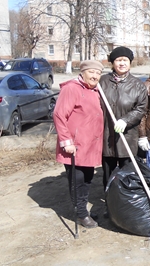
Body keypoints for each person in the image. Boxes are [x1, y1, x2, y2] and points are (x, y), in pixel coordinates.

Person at [53, 60, 104, 228]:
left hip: (90, 145)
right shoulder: (72, 89)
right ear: (82, 73)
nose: (95, 76)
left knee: (88, 178)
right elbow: (59, 115)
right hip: (74, 146)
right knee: (78, 180)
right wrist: (66, 142)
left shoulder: (96, 90)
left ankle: (83, 211)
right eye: (91, 72)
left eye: (98, 73)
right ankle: (81, 213)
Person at [99, 46, 147, 191]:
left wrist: (125, 120)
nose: (122, 63)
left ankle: (126, 207)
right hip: (107, 137)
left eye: (125, 60)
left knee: (128, 175)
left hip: (128, 138)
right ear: (113, 63)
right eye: (118, 60)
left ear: (130, 63)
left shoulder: (138, 85)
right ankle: (110, 204)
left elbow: (141, 108)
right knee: (108, 176)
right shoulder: (102, 82)